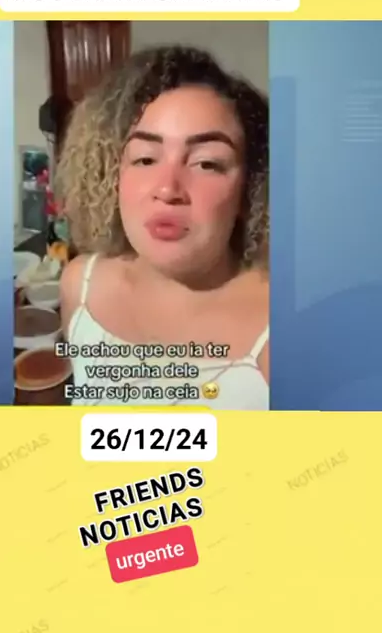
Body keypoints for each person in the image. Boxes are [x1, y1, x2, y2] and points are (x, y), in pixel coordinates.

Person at [56, 45, 269, 410]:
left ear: (249, 190)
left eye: (207, 164)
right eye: (145, 159)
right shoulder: (80, 286)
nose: (168, 189)